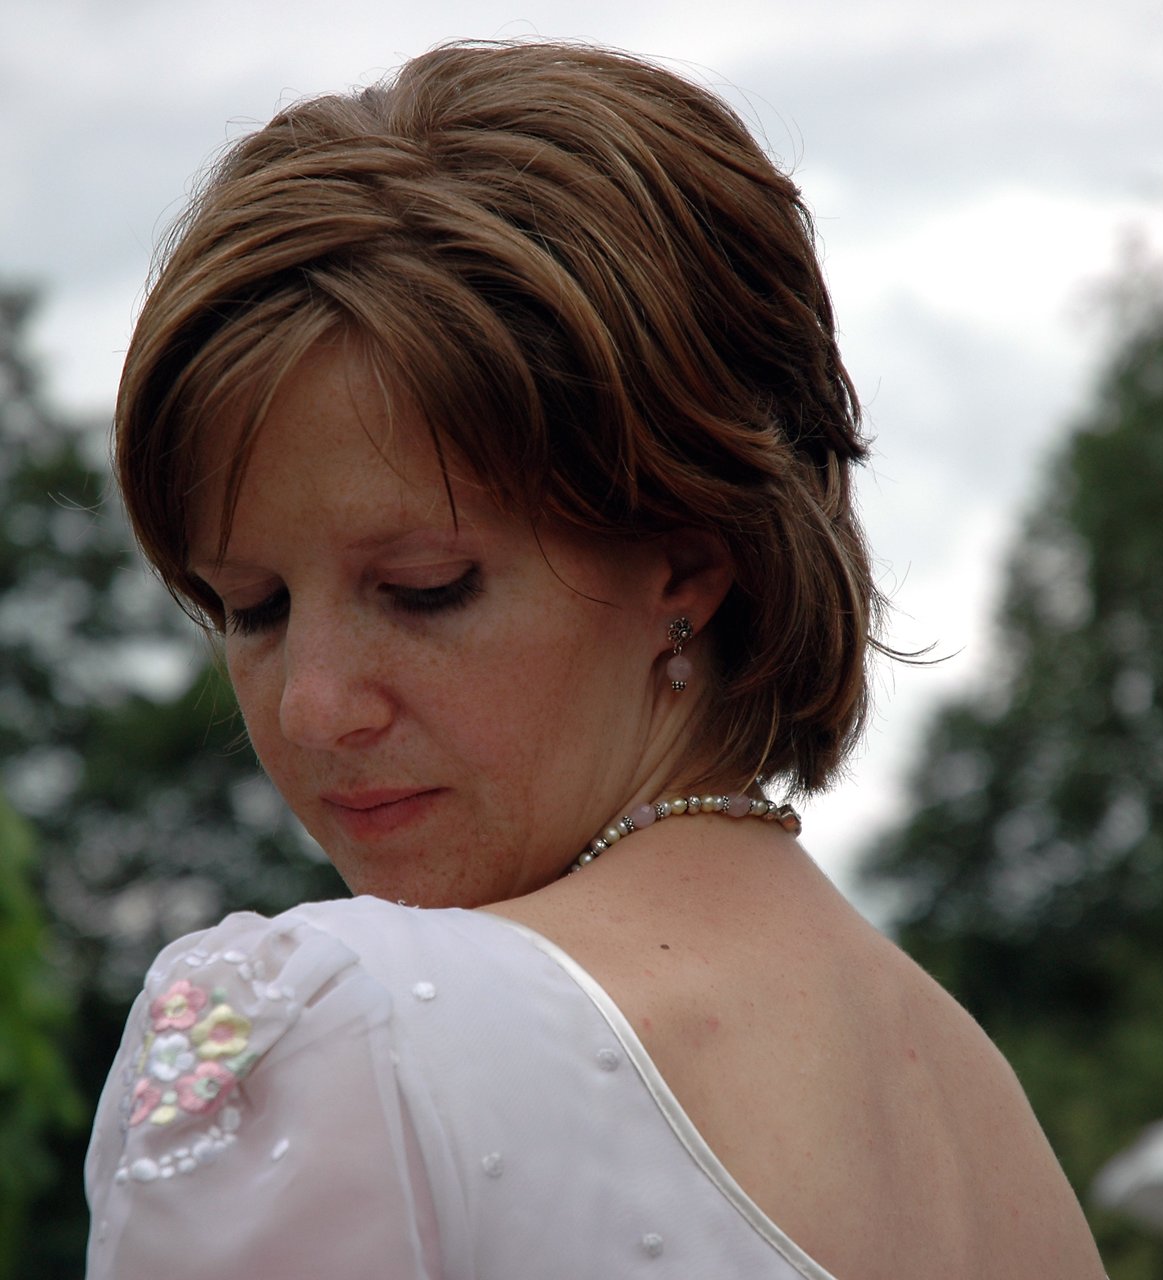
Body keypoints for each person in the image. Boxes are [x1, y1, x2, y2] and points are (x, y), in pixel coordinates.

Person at [85, 40, 1106, 1279]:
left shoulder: (323, 1028)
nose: (312, 704)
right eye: (249, 607)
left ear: (687, 561)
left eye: (425, 588)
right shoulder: (982, 1118)